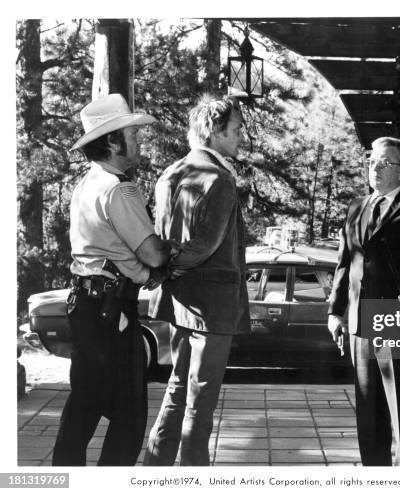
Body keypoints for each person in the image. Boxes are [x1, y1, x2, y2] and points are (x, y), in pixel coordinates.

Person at [52, 93, 172, 466]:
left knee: (84, 407)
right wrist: (173, 251)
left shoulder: (88, 182)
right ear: (113, 142)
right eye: (131, 135)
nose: (138, 140)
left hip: (89, 307)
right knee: (129, 419)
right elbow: (152, 252)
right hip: (109, 314)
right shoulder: (119, 188)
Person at [144, 94, 250, 466]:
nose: (241, 137)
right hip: (211, 307)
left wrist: (165, 268)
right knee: (200, 402)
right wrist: (174, 264)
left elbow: (161, 238)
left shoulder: (169, 174)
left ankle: (155, 471)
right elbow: (204, 245)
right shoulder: (219, 179)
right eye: (235, 130)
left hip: (179, 301)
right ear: (213, 131)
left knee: (177, 388)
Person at [327, 137, 400, 466]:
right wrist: (335, 312)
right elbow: (343, 265)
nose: (374, 168)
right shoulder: (356, 207)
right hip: (359, 323)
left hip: (399, 324)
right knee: (368, 416)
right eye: (372, 162)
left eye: (385, 163)